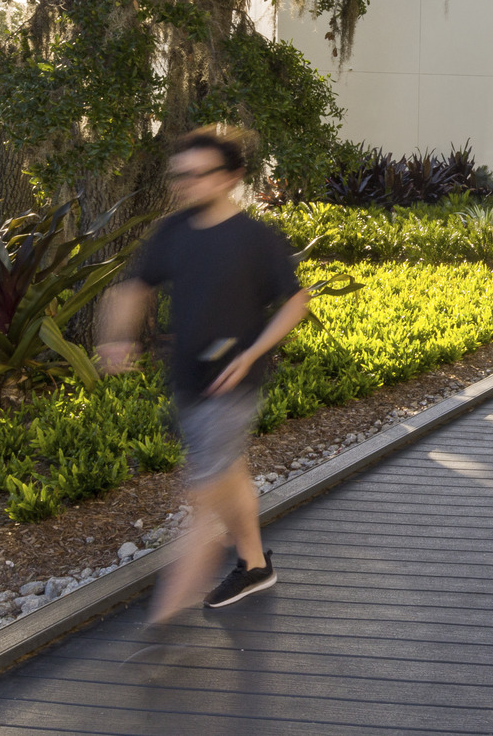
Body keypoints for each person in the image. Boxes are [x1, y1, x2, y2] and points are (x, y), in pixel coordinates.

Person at [98, 124, 310, 622]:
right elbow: (132, 289)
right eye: (181, 176)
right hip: (188, 380)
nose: (187, 184)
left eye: (199, 175)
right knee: (229, 476)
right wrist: (116, 337)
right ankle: (255, 565)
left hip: (233, 384)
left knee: (202, 495)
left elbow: (296, 302)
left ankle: (163, 620)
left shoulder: (256, 239)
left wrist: (252, 352)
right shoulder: (172, 232)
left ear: (231, 176)